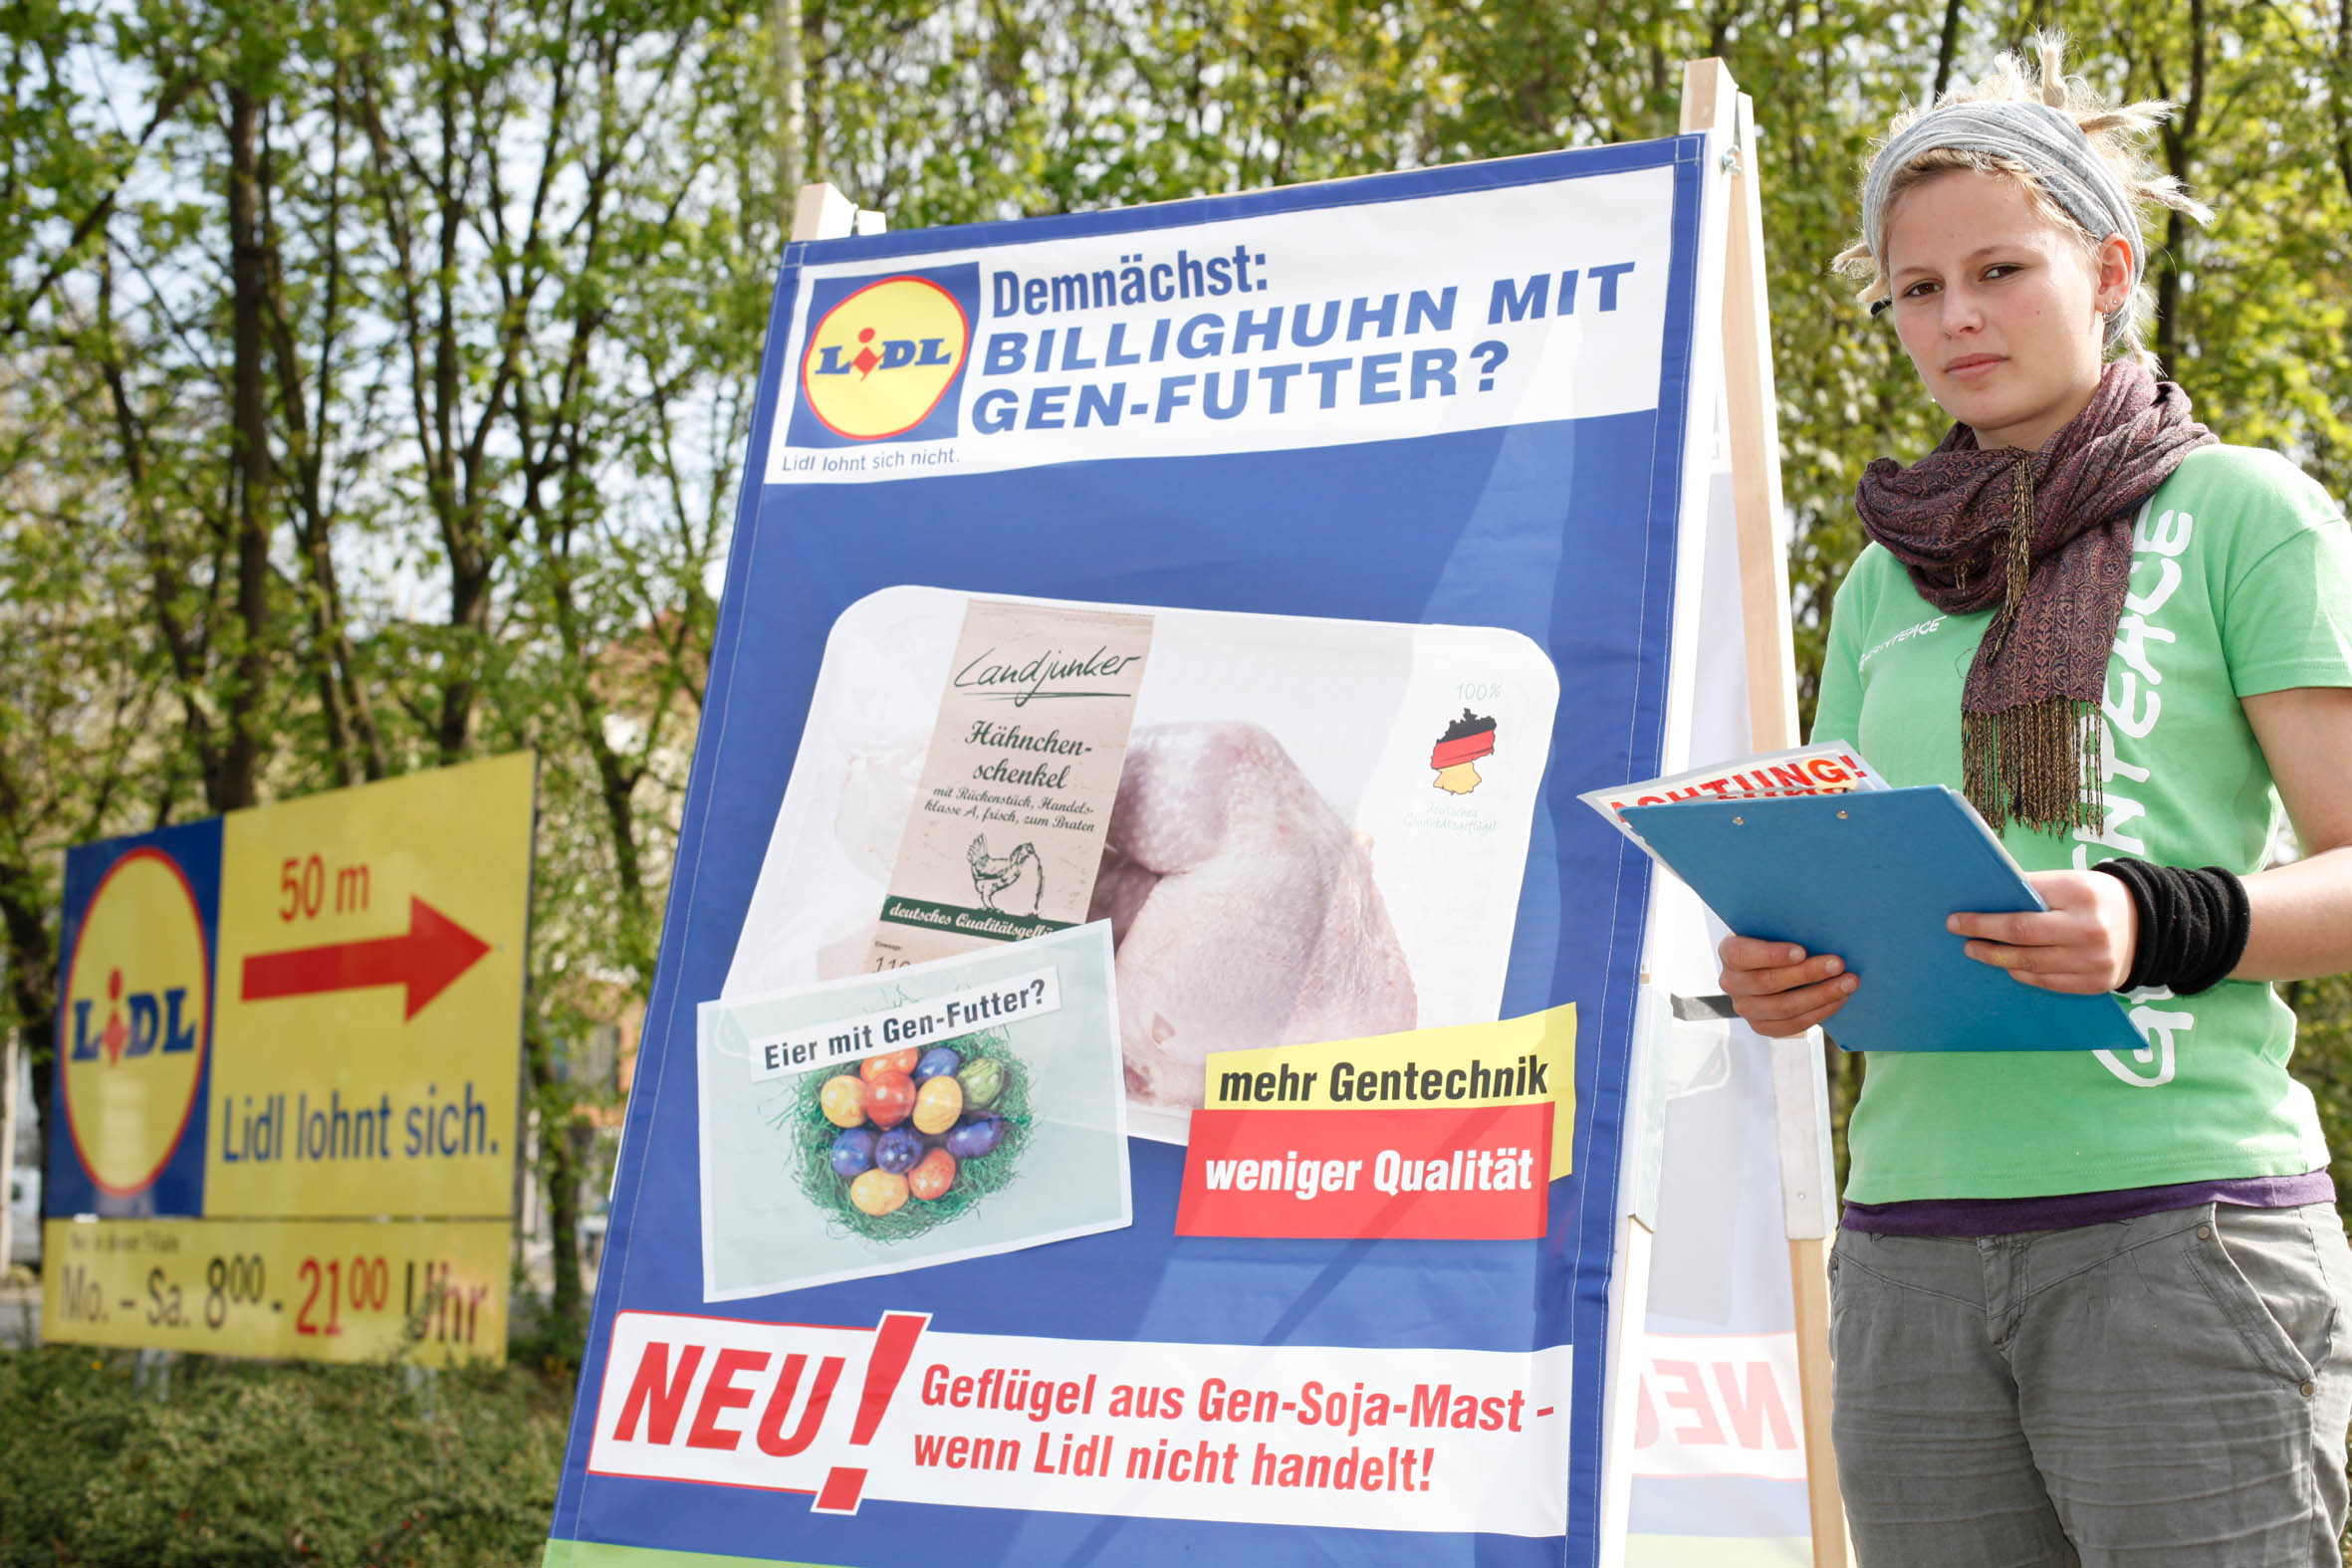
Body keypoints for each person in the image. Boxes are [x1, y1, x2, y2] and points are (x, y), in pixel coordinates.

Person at [1717, 37, 2352, 1567]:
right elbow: (1840, 867)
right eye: (1915, 288)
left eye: (1999, 270)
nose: (1954, 316)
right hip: (1905, 1250)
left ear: (2107, 270)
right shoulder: (1880, 581)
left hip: (2182, 1230)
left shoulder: (2242, 512)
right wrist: (1774, 969)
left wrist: (2154, 922)